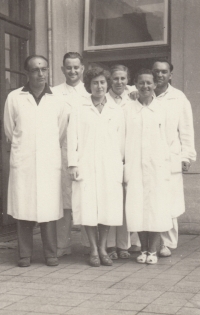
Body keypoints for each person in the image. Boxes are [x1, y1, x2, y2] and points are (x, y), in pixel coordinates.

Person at [4, 55, 69, 267]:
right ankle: (24, 255)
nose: (40, 74)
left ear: (49, 71)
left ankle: (50, 253)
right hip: (24, 161)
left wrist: (45, 149)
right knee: (24, 208)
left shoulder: (58, 99)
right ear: (27, 73)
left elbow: (60, 131)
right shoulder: (15, 97)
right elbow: (10, 131)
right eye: (35, 70)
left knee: (48, 208)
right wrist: (25, 149)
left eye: (44, 69)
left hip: (48, 161)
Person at [67, 67, 125, 267]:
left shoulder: (117, 110)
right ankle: (92, 248)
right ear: (88, 86)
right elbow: (72, 137)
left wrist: (121, 166)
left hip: (110, 165)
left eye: (102, 82)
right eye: (95, 83)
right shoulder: (79, 107)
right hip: (86, 164)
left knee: (108, 207)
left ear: (107, 84)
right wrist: (73, 163)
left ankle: (103, 248)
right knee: (88, 207)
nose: (99, 86)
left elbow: (122, 141)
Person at [124, 68, 173, 264]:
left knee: (156, 208)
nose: (145, 86)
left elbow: (168, 139)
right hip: (135, 165)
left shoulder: (162, 109)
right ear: (135, 85)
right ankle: (142, 249)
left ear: (154, 85)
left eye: (149, 83)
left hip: (156, 167)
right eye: (141, 82)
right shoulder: (127, 109)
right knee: (137, 208)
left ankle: (152, 250)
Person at [151, 60, 196, 257]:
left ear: (170, 75)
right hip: (147, 157)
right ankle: (146, 242)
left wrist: (186, 156)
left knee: (168, 201)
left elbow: (186, 130)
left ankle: (166, 243)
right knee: (149, 199)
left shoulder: (179, 98)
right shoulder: (141, 93)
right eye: (156, 72)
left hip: (170, 157)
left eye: (164, 72)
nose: (159, 75)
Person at [52, 52, 89, 258]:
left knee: (86, 199)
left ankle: (88, 244)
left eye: (76, 67)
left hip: (87, 152)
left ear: (82, 68)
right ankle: (62, 245)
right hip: (62, 152)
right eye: (69, 67)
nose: (73, 71)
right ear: (62, 69)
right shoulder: (54, 93)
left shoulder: (91, 90)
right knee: (64, 201)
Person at [106, 64, 140, 260]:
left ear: (128, 80)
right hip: (110, 158)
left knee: (127, 203)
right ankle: (110, 245)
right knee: (111, 202)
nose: (119, 82)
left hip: (129, 157)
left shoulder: (133, 98)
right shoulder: (103, 98)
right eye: (115, 78)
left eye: (123, 78)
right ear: (110, 80)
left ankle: (124, 244)